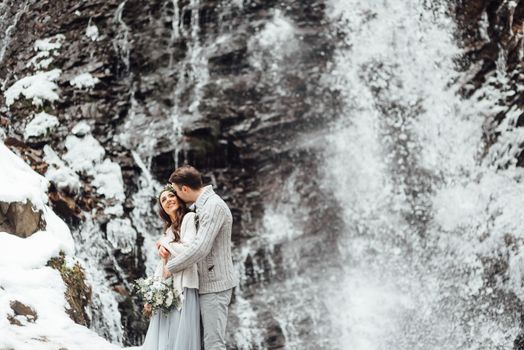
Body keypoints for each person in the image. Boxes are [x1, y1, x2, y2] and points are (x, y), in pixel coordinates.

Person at [159, 165, 238, 350]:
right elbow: (181, 233)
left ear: (185, 189)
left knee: (213, 345)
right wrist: (163, 242)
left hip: (215, 285)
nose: (176, 197)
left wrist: (170, 267)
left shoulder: (213, 206)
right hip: (202, 285)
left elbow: (200, 248)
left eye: (176, 192)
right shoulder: (200, 206)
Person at [141, 185, 201, 350]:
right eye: (163, 200)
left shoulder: (189, 218)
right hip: (168, 287)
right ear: (162, 209)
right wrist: (152, 292)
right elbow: (163, 264)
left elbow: (189, 249)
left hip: (185, 284)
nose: (168, 201)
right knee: (166, 338)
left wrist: (164, 242)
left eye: (170, 196)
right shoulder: (168, 230)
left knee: (180, 336)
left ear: (179, 198)